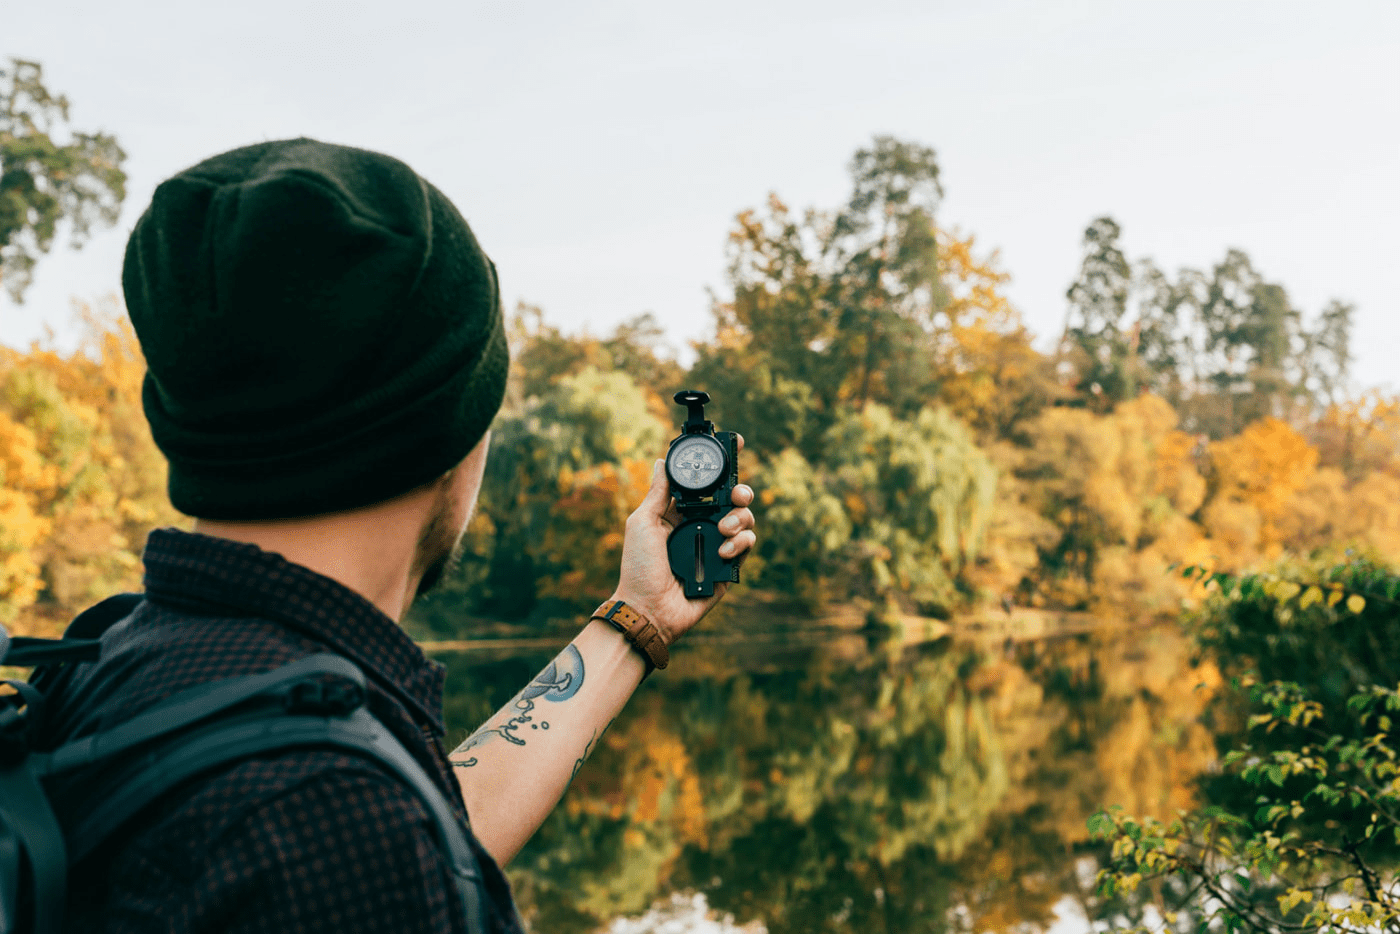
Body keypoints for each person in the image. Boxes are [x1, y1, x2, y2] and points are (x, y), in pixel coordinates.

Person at [42, 138, 757, 933]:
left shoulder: (117, 665)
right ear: (454, 432)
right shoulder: (330, 822)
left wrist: (638, 617)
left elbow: (440, 825)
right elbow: (377, 843)